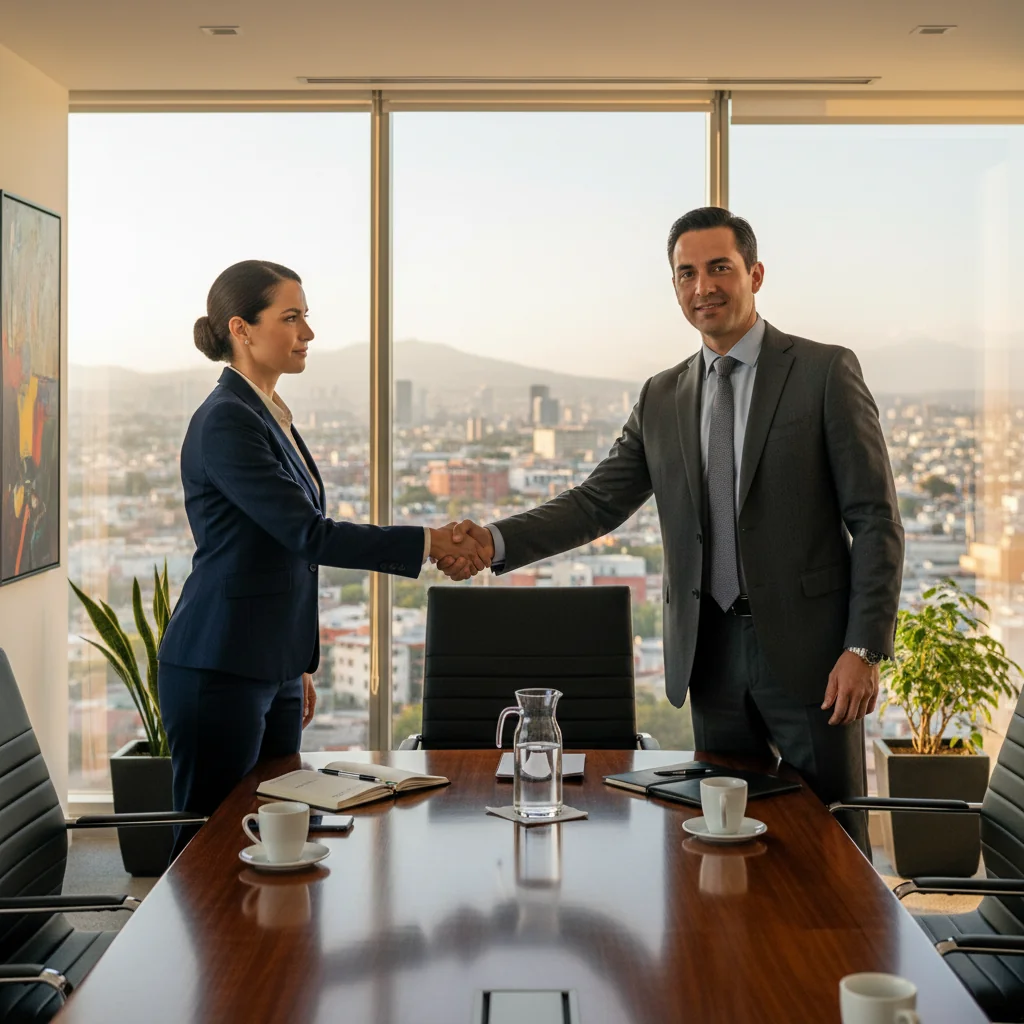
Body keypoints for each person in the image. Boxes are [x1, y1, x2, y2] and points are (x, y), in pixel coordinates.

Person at [437, 208, 903, 855]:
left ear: (755, 274)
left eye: (719, 268)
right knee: (721, 838)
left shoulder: (823, 372)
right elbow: (597, 502)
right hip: (709, 653)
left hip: (812, 657)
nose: (703, 287)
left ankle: (840, 958)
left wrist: (864, 647)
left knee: (830, 841)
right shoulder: (663, 395)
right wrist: (493, 540)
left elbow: (876, 518)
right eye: (686, 273)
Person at [158, 260, 488, 859]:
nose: (307, 332)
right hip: (220, 666)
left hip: (271, 663)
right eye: (291, 317)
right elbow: (308, 534)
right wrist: (430, 542)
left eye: (305, 316)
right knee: (209, 851)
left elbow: (281, 553)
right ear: (242, 328)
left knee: (281, 833)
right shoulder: (227, 421)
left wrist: (294, 662)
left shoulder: (266, 413)